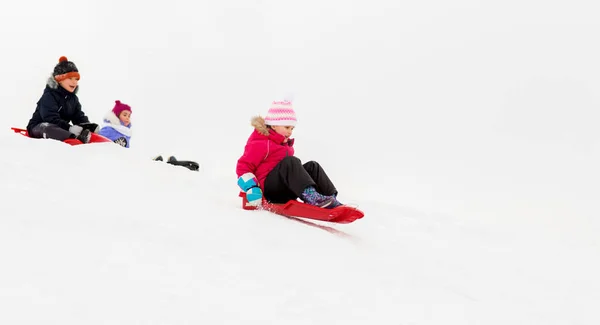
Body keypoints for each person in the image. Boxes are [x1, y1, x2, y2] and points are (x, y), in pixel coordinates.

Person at [236, 100, 343, 209]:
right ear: (274, 126)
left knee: (312, 166)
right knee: (291, 161)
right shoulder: (261, 143)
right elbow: (243, 167)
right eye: (287, 127)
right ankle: (311, 197)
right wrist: (252, 188)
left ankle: (331, 198)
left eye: (292, 128)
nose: (290, 131)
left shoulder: (284, 144)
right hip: (268, 191)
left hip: (284, 188)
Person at [26, 56, 97, 143]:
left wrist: (88, 127)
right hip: (39, 127)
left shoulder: (73, 99)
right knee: (49, 128)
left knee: (66, 129)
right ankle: (73, 138)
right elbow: (50, 118)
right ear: (59, 79)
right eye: (70, 78)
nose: (74, 82)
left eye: (76, 79)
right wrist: (69, 128)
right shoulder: (49, 96)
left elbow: (78, 117)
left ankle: (89, 137)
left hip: (60, 128)